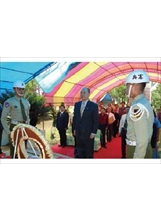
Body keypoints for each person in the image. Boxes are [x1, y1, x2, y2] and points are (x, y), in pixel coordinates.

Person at [125, 70, 154, 158]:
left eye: (127, 85)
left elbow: (142, 140)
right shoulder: (143, 103)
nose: (126, 89)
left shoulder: (137, 107)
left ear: (136, 87)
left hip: (137, 149)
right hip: (141, 148)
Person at [1, 80, 30, 158]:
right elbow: (3, 118)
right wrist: (8, 132)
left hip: (25, 127)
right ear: (14, 89)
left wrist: (29, 127)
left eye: (23, 89)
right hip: (14, 127)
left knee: (24, 149)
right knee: (15, 151)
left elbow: (28, 116)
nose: (21, 91)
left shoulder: (26, 101)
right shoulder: (9, 102)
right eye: (19, 88)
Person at [73, 87, 99, 158]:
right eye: (81, 93)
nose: (82, 94)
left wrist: (93, 132)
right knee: (79, 152)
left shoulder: (93, 106)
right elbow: (75, 118)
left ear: (88, 94)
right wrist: (74, 129)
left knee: (88, 153)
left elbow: (95, 120)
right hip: (78, 133)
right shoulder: (77, 105)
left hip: (88, 134)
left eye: (84, 93)